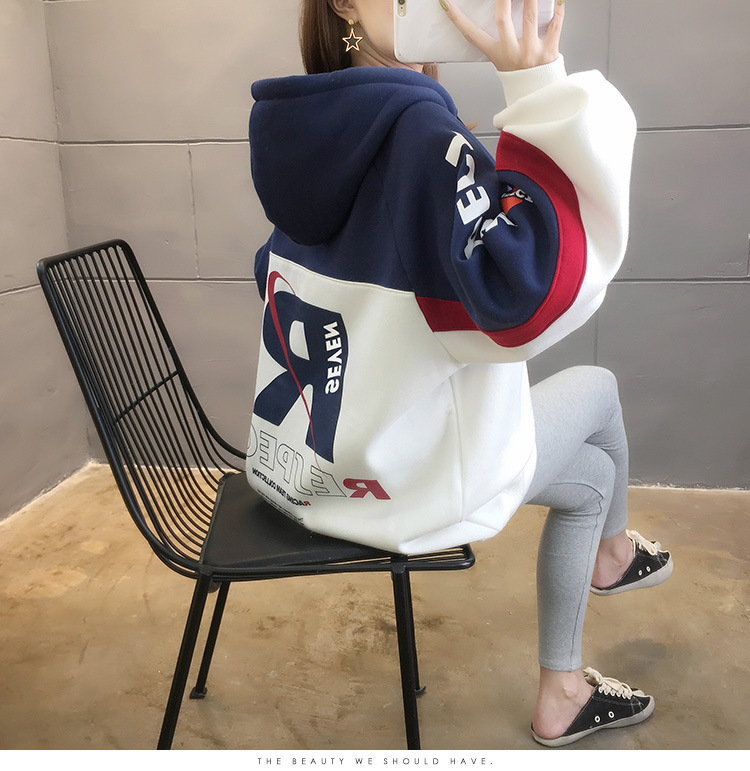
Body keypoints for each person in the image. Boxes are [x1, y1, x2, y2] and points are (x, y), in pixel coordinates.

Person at [245, 0, 673, 747]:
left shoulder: (305, 129)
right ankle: (597, 596)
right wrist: (537, 87)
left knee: (593, 472)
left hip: (308, 464)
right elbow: (524, 297)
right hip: (400, 484)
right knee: (599, 397)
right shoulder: (416, 129)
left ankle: (589, 618)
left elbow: (280, 279)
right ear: (344, 3)